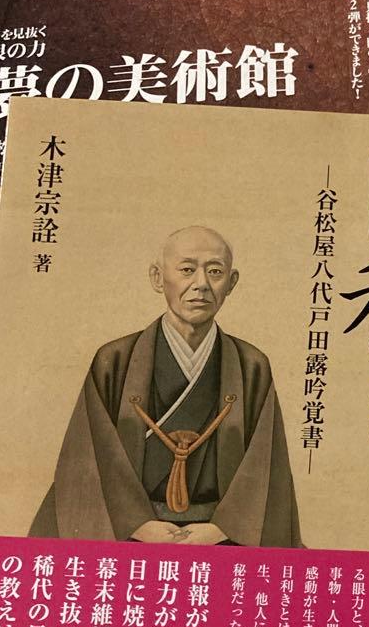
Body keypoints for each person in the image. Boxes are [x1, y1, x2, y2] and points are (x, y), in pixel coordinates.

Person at [30, 225, 301, 547]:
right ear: (158, 278)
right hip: (127, 532)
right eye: (187, 270)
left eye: (215, 271)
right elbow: (88, 457)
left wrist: (222, 528)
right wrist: (137, 523)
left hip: (223, 537)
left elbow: (266, 466)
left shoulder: (250, 364)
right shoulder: (115, 360)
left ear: (232, 282)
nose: (201, 284)